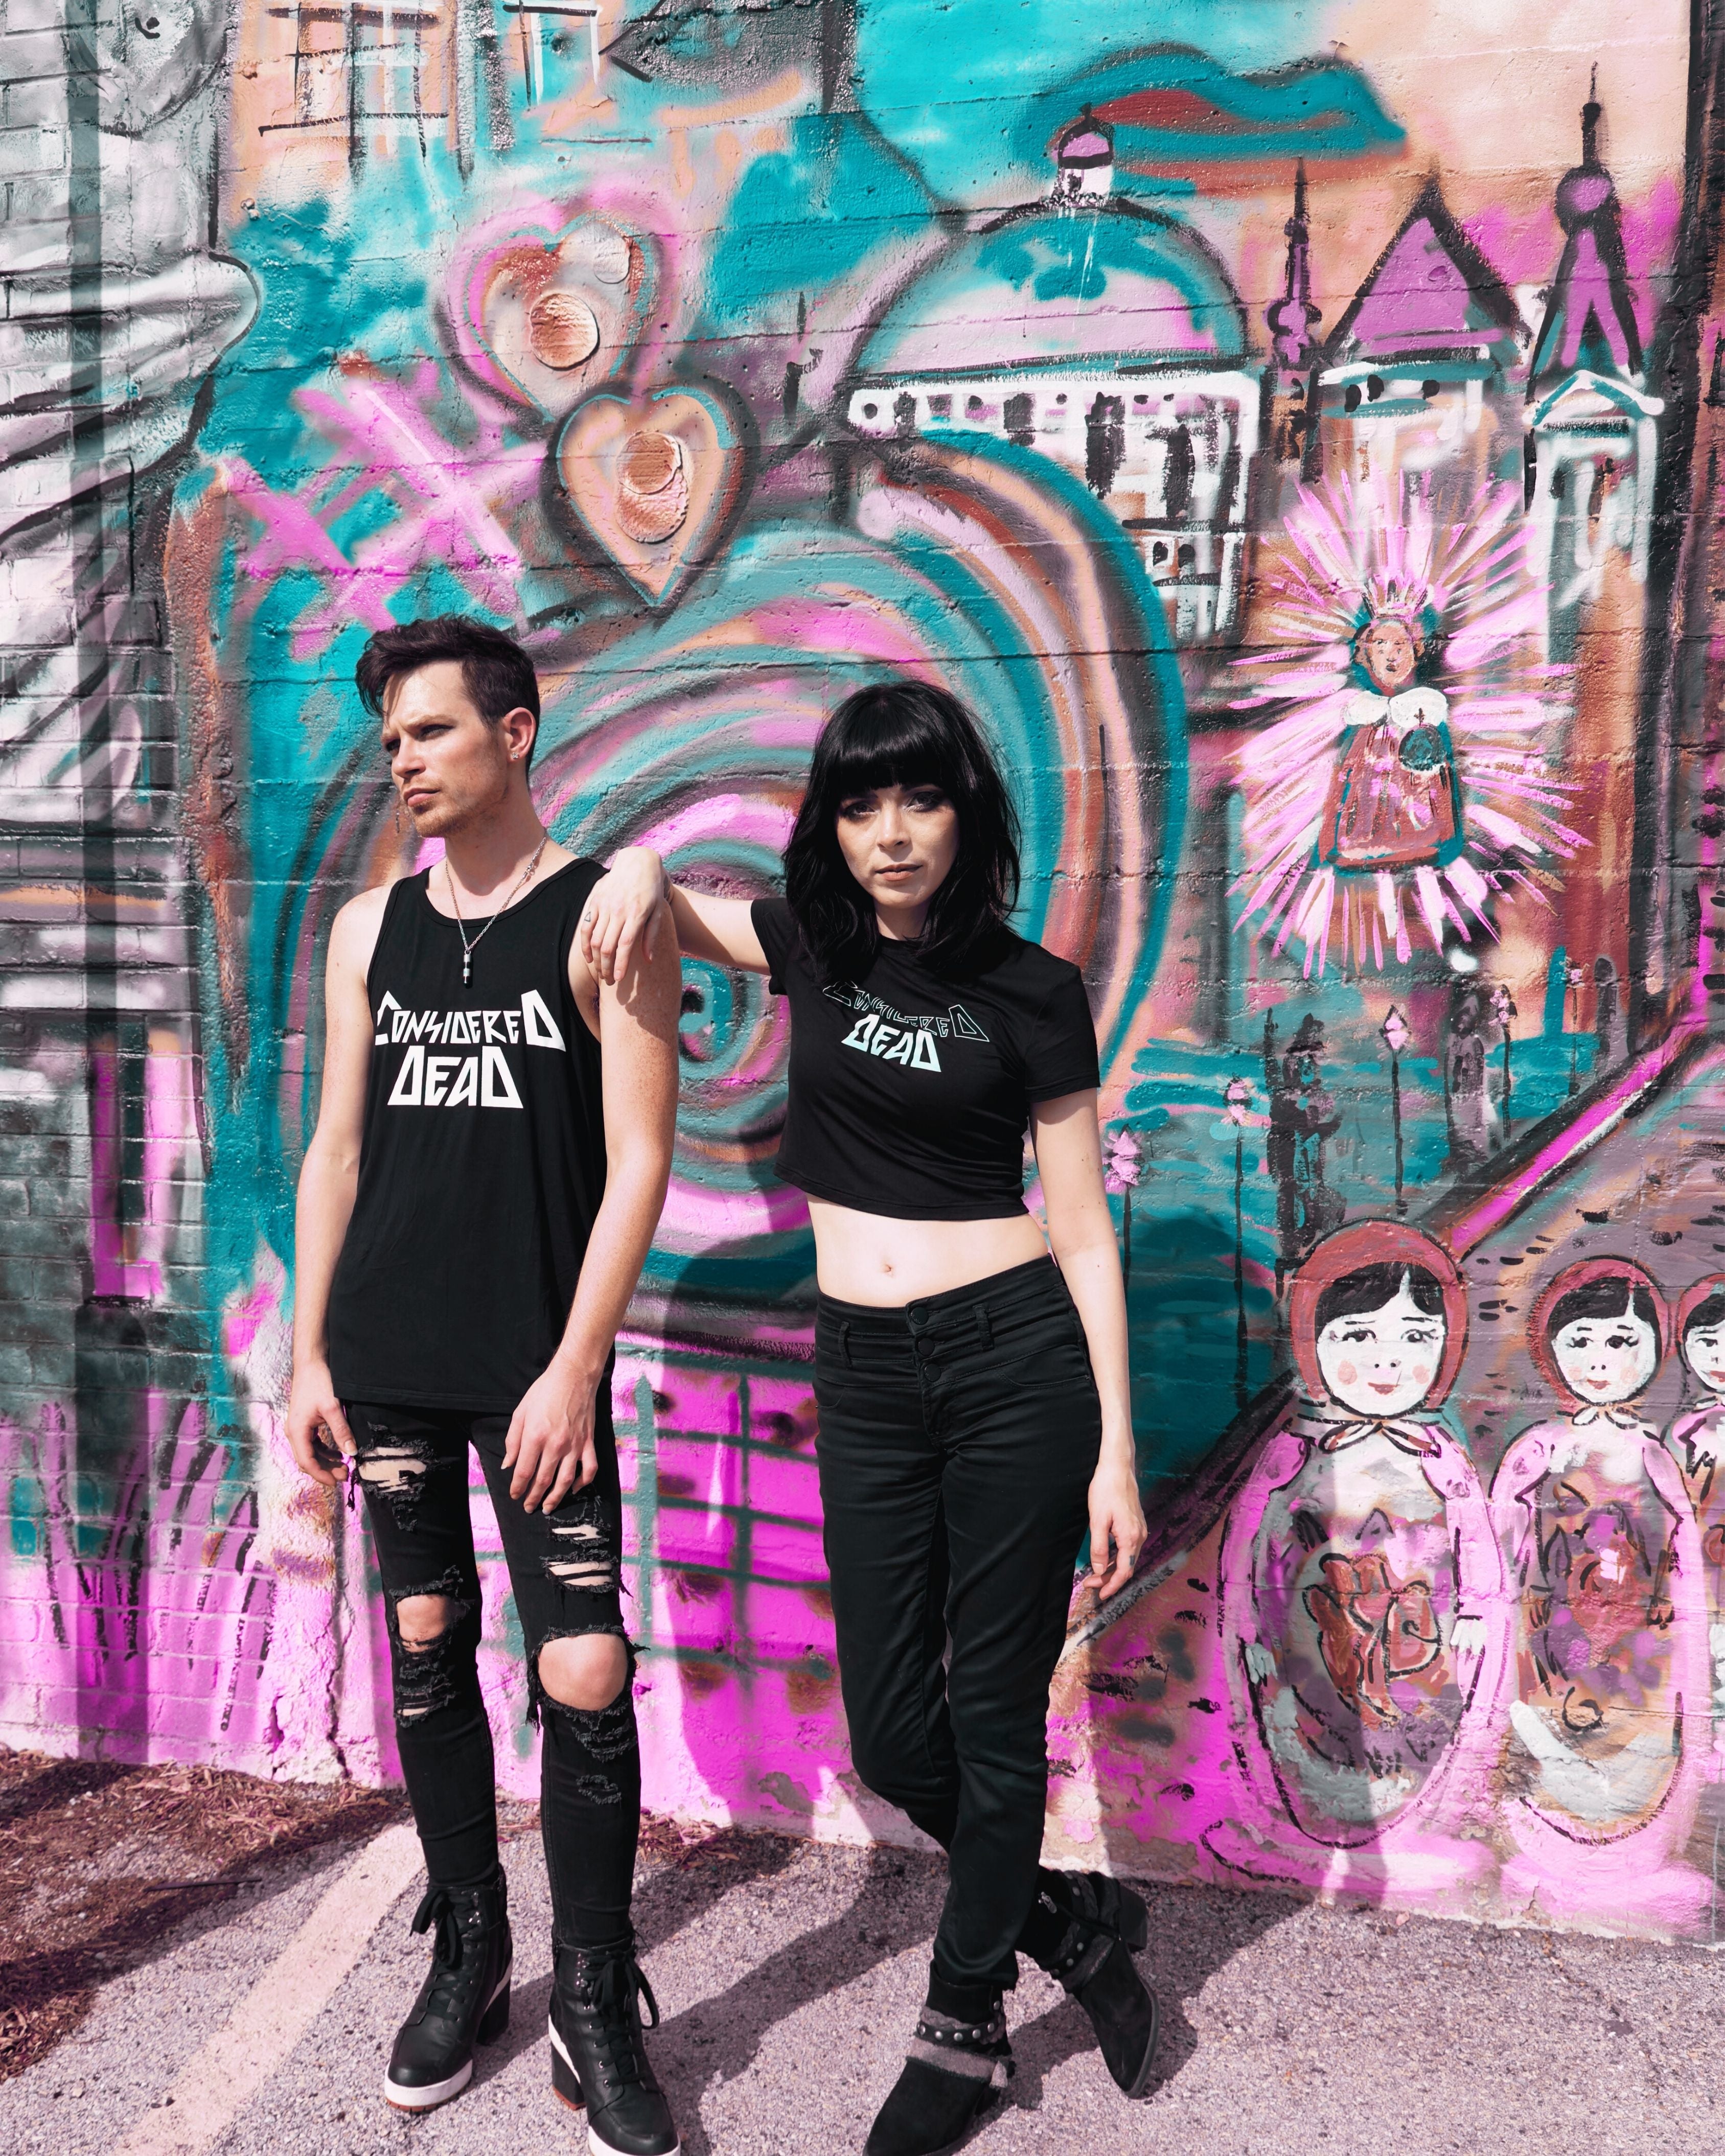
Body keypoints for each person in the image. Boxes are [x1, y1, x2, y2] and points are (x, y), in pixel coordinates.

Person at [584, 680, 1157, 2155]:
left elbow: (1084, 1227)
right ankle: (1066, 1922)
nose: (892, 834)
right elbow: (656, 904)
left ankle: (961, 2029)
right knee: (900, 1729)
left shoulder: (1035, 991)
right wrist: (644, 864)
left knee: (991, 1709)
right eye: (860, 804)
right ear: (830, 822)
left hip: (1015, 1356)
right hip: (866, 1369)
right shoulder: (811, 946)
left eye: (919, 800)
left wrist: (1116, 1447)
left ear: (966, 814)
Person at [285, 616, 683, 2156]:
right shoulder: (367, 930)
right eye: (392, 742)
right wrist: (309, 1350)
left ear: (517, 732)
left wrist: (576, 1365)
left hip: (539, 1373)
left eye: (434, 732)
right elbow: (336, 1151)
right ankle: (473, 1944)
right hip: (388, 1359)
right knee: (429, 1644)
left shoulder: (602, 913)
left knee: (583, 1664)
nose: (407, 763)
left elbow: (640, 1157)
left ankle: (595, 1989)